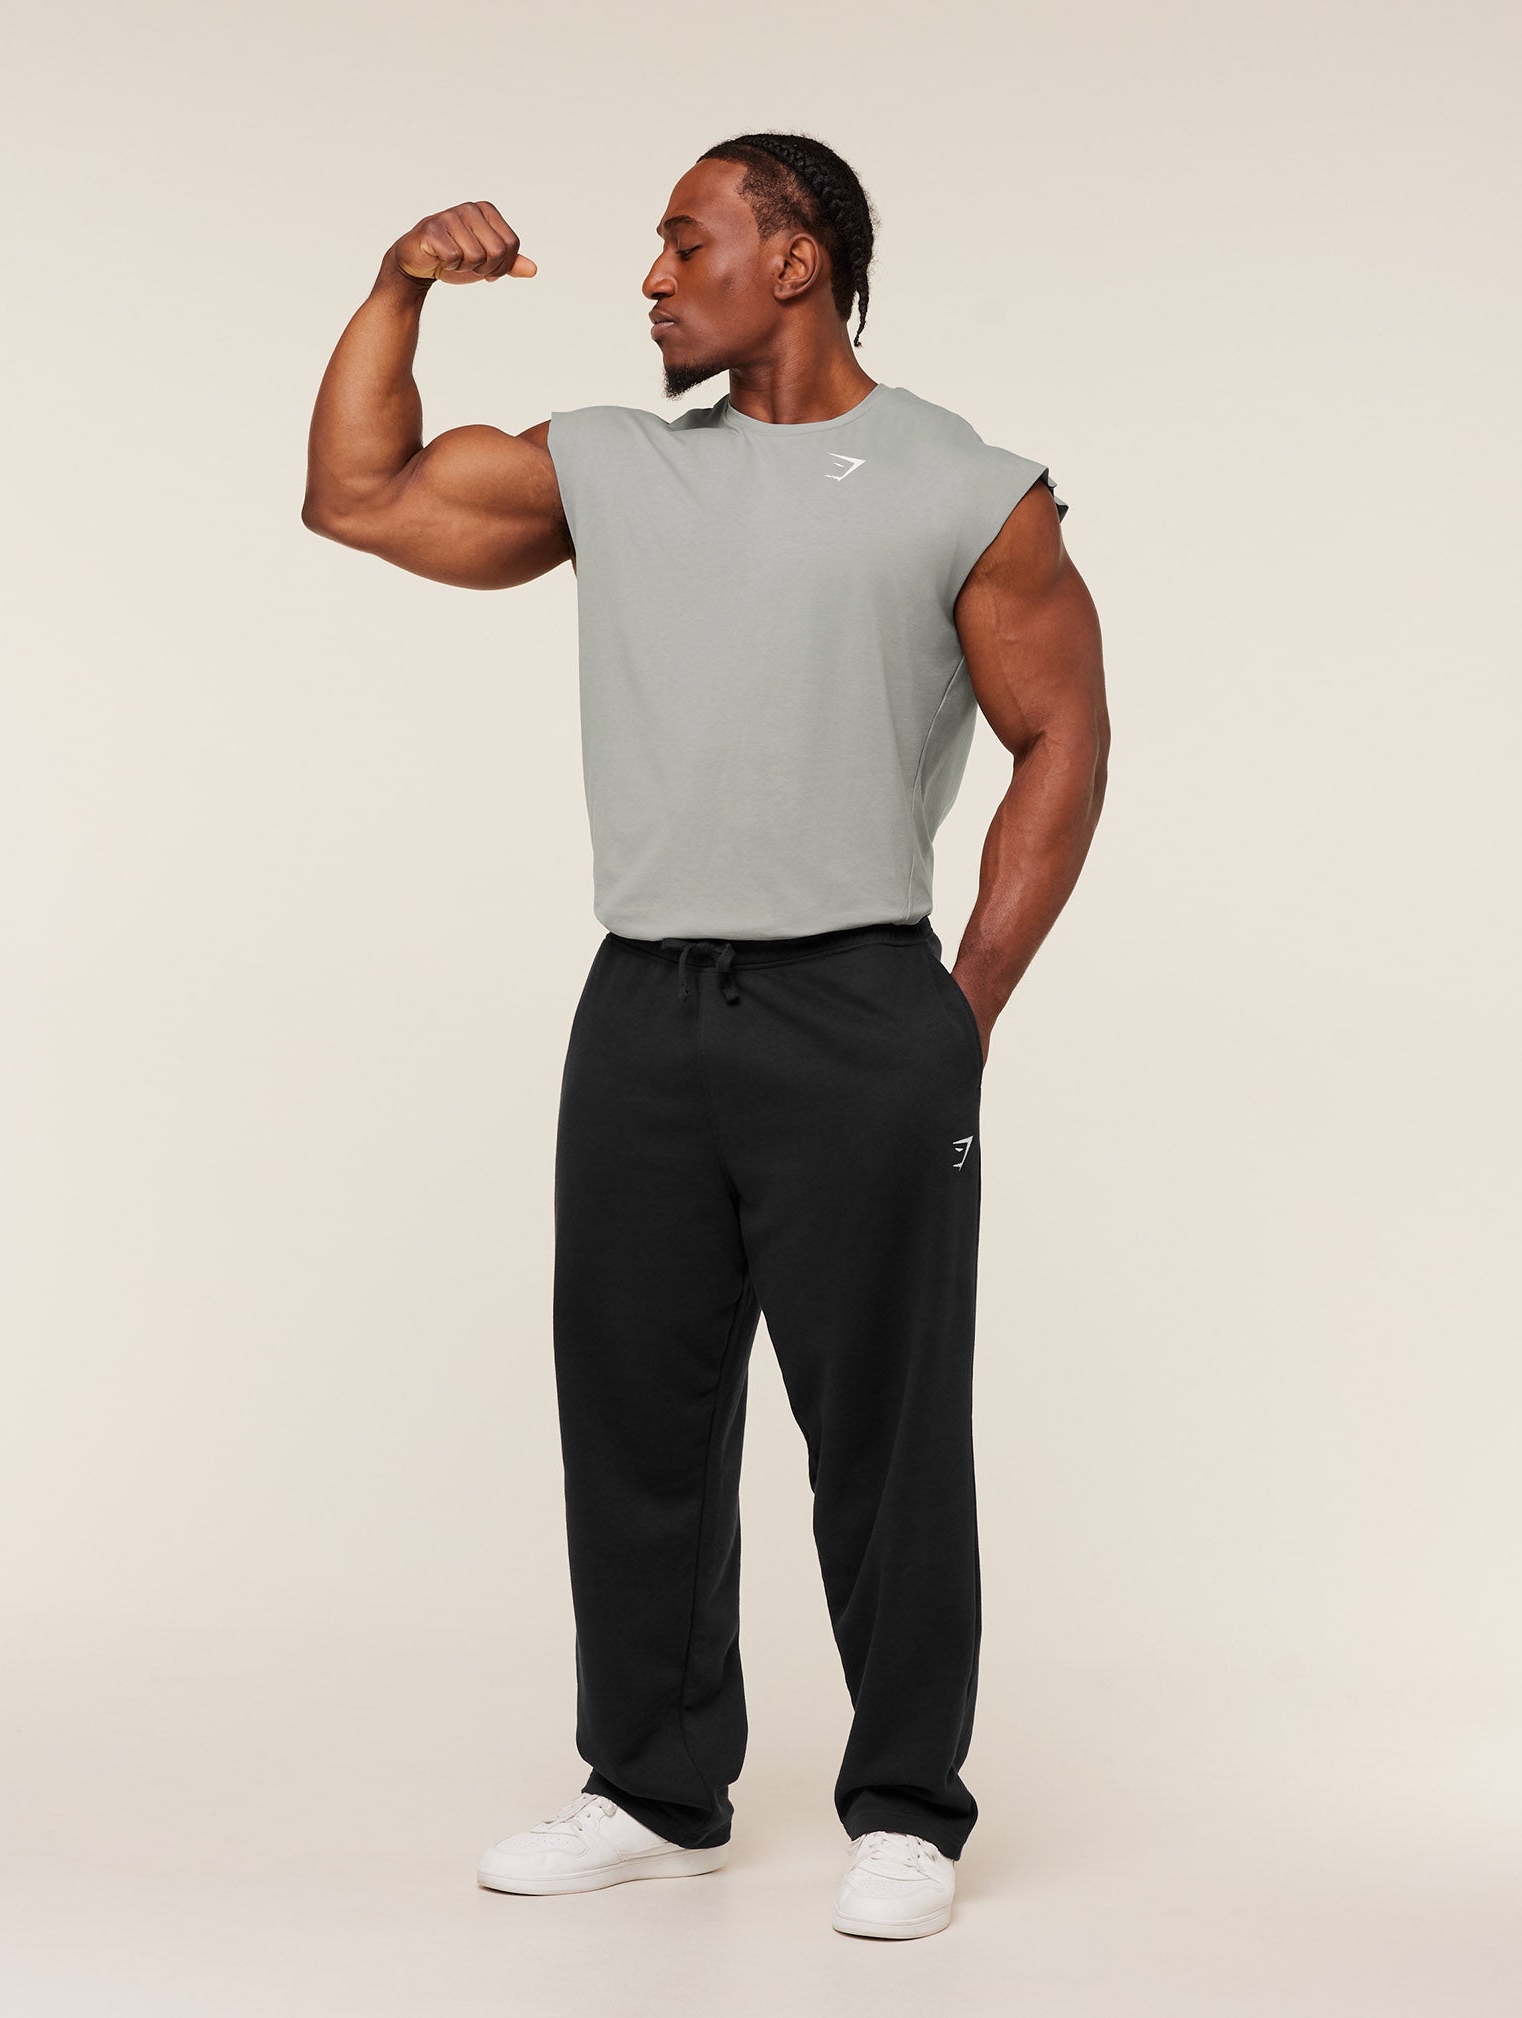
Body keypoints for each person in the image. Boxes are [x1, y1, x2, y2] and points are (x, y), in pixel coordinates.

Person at [302, 130, 1108, 1941]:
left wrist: (962, 1006)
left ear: (796, 259)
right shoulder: (612, 465)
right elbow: (358, 493)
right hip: (646, 1003)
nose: (654, 278)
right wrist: (399, 284)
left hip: (861, 1004)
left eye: (688, 242)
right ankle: (656, 1788)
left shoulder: (964, 486)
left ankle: (907, 1806)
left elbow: (1065, 733)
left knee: (886, 1431)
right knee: (636, 1416)